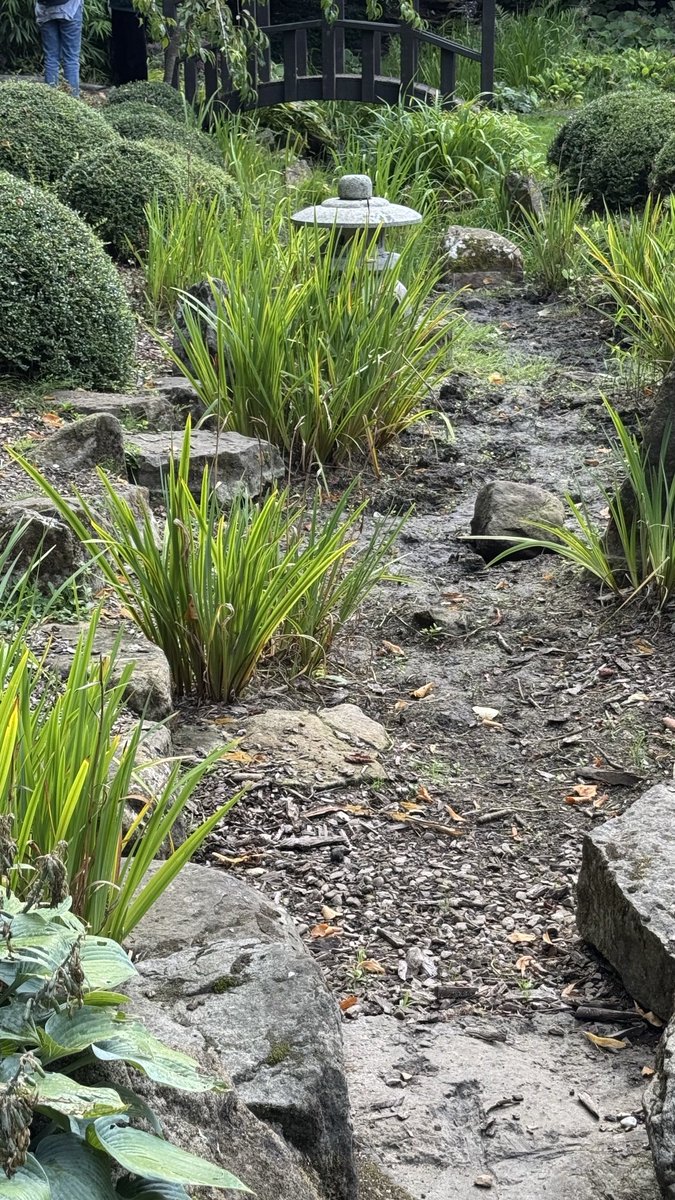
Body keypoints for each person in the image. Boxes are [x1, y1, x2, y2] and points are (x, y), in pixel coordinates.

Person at [35, 0, 84, 98]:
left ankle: (51, 99)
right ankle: (73, 100)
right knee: (71, 58)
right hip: (70, 9)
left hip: (45, 10)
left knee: (51, 57)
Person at [109, 0, 148, 86]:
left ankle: (138, 85)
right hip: (118, 7)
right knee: (120, 51)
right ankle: (121, 85)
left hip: (136, 9)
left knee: (136, 51)